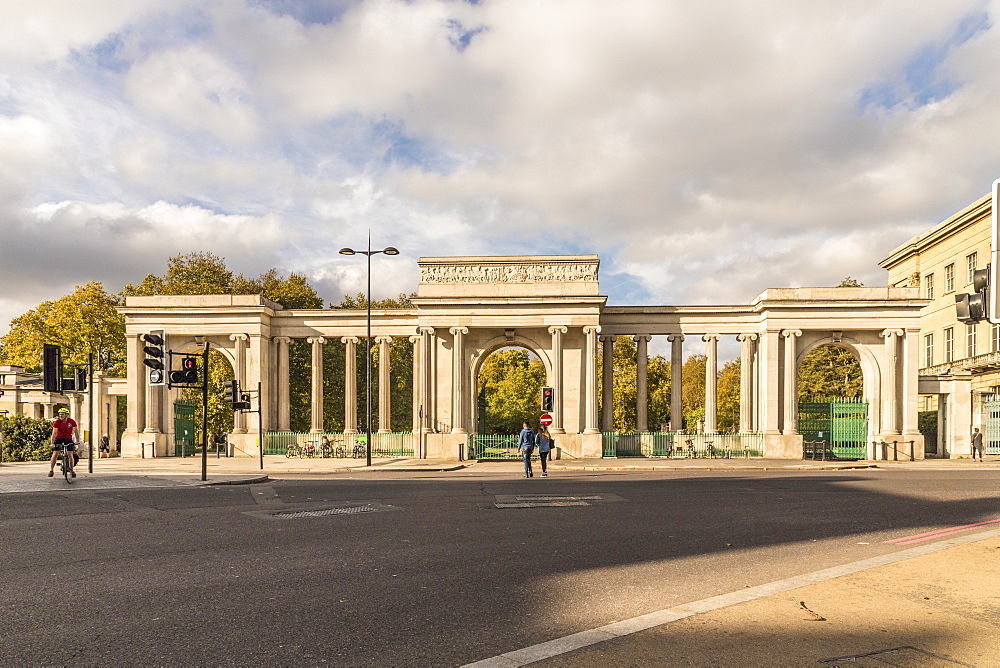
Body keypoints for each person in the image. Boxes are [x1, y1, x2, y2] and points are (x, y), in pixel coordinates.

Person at [48, 408, 79, 478]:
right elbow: (54, 433)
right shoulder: (57, 422)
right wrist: (52, 443)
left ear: (66, 415)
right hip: (59, 438)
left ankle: (72, 470)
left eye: (62, 414)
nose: (60, 416)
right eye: (60, 414)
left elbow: (76, 432)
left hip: (68, 438)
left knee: (70, 454)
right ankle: (51, 470)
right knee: (55, 453)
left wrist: (77, 441)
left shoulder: (71, 422)